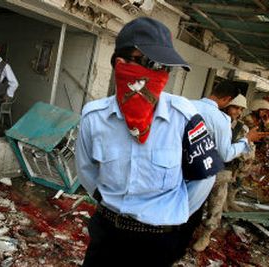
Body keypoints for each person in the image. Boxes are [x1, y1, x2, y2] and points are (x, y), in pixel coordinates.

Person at [76, 17, 224, 267]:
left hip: (157, 241)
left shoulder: (185, 117)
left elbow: (203, 177)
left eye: (166, 67)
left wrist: (171, 214)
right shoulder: (94, 117)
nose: (160, 75)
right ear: (121, 64)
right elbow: (86, 170)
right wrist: (108, 202)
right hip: (107, 234)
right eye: (152, 64)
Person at [192, 85, 268, 252]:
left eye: (240, 109)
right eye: (235, 107)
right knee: (193, 204)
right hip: (200, 169)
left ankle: (206, 234)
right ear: (226, 104)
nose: (237, 112)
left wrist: (243, 146)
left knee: (216, 205)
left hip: (222, 174)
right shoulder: (213, 119)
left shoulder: (242, 129)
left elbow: (246, 154)